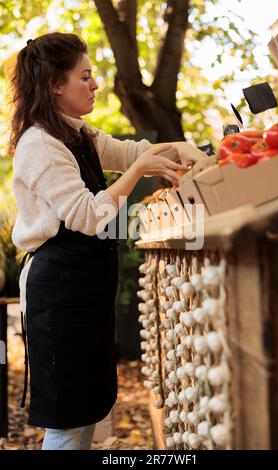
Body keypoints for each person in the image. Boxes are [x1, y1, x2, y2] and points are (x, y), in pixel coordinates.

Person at [9, 32, 205, 450]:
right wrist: (137, 175)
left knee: (88, 410)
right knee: (66, 418)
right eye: (86, 76)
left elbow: (129, 153)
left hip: (83, 289)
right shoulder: (40, 144)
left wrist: (180, 148)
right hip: (57, 293)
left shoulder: (75, 132)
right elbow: (87, 216)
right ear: (55, 86)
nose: (96, 84)